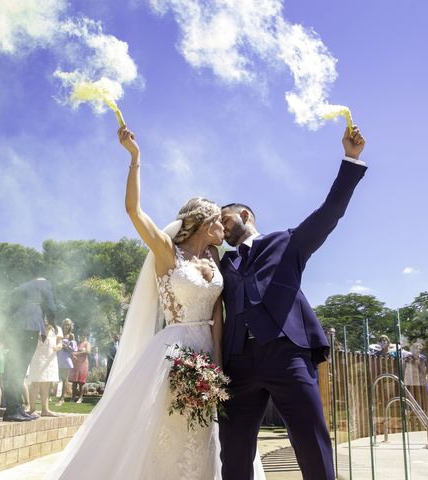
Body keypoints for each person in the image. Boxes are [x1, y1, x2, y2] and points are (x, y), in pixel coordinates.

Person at [48, 126, 265, 479]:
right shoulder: (167, 253)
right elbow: (134, 211)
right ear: (201, 222)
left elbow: (217, 314)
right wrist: (135, 159)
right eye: (217, 222)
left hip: (208, 355)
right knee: (166, 430)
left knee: (204, 434)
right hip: (173, 353)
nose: (224, 228)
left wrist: (219, 368)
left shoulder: (214, 259)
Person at [218, 126, 366, 480]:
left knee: (311, 442)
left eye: (225, 220)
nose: (221, 229)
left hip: (287, 355)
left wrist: (351, 159)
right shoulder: (221, 264)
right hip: (238, 363)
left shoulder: (287, 242)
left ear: (246, 216)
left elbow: (330, 212)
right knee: (233, 452)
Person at [2, 277, 57, 422]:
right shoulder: (43, 283)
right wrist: (52, 321)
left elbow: (8, 309)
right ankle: (13, 410)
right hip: (30, 327)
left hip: (14, 327)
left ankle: (16, 407)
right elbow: (51, 305)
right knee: (18, 369)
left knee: (14, 368)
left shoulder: (21, 287)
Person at [26, 318, 62, 417]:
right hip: (38, 358)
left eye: (48, 317)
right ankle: (32, 409)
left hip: (50, 359)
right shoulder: (36, 327)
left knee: (47, 383)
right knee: (35, 383)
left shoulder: (57, 329)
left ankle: (45, 410)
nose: (46, 319)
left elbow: (60, 342)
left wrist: (58, 346)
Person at [55, 318, 76, 405]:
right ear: (62, 325)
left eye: (68, 325)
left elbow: (73, 349)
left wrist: (65, 346)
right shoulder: (58, 334)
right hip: (57, 357)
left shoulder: (71, 336)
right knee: (55, 377)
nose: (66, 326)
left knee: (64, 378)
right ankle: (48, 397)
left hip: (66, 358)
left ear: (70, 326)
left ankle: (62, 398)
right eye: (65, 324)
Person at [68, 331, 90, 403]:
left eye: (83, 335)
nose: (81, 336)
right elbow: (73, 351)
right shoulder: (77, 344)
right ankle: (73, 397)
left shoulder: (87, 343)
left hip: (83, 364)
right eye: (80, 335)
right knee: (74, 382)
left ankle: (81, 398)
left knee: (81, 382)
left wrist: (76, 353)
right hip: (75, 364)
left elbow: (88, 352)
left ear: (85, 336)